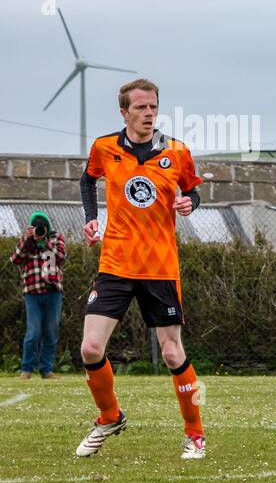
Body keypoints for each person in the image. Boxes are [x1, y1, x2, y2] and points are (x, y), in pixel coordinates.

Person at [75, 78, 207, 460]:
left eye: (153, 107)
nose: (149, 114)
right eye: (141, 108)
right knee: (90, 347)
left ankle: (195, 434)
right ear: (124, 112)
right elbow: (88, 180)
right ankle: (109, 417)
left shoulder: (177, 152)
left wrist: (190, 204)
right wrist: (90, 218)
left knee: (171, 353)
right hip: (115, 264)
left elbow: (193, 190)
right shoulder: (104, 148)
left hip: (160, 268)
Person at [10, 211, 66, 379]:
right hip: (32, 293)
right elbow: (15, 259)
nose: (39, 231)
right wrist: (28, 239)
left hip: (53, 292)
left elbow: (61, 257)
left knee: (51, 331)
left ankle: (46, 369)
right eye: (37, 228)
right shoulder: (27, 242)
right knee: (33, 331)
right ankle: (26, 369)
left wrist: (45, 242)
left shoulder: (56, 239)